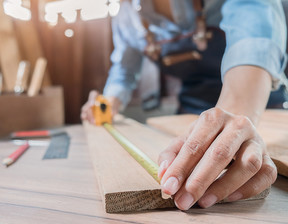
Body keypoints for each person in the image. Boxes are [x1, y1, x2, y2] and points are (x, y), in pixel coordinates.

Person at [81, 0, 288, 210]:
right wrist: (107, 104)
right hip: (190, 113)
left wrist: (233, 126)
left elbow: (255, 38)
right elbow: (123, 71)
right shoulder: (126, 14)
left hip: (260, 107)